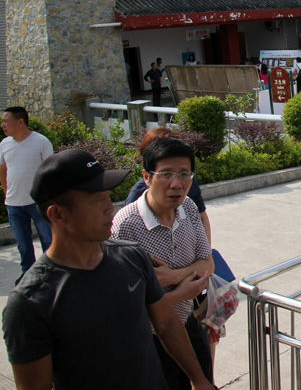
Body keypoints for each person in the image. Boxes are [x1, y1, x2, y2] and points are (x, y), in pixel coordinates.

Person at [2, 149, 214, 390]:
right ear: (58, 214)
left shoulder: (132, 257)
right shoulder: (31, 303)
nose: (109, 208)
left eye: (107, 196)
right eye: (97, 200)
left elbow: (166, 324)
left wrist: (198, 379)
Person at [112, 138, 214, 389]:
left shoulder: (188, 208)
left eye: (185, 174)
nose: (177, 184)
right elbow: (126, 308)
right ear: (146, 177)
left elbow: (208, 264)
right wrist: (182, 292)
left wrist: (171, 278)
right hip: (149, 339)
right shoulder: (126, 226)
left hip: (187, 323)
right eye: (166, 174)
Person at [125, 128, 211, 245]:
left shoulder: (189, 201)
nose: (176, 184)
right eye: (166, 174)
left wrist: (207, 252)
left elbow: (203, 218)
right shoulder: (129, 214)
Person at [0, 107, 54, 285]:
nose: (2, 125)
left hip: (37, 202)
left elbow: (51, 170)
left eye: (6, 121)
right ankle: (28, 276)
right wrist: (6, 190)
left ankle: (51, 274)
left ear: (20, 122)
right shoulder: (4, 144)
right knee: (23, 245)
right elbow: (2, 170)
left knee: (48, 240)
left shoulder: (41, 142)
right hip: (14, 204)